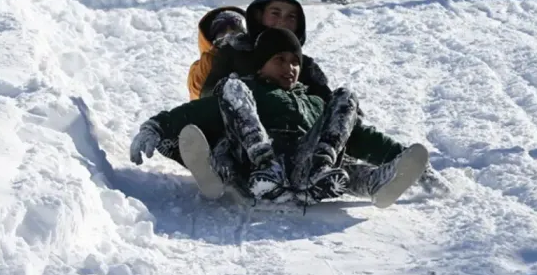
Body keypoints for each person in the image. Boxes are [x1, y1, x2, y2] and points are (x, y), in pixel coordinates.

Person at [131, 27, 436, 207]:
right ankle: (221, 172)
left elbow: (357, 135)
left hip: (312, 170)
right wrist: (155, 127)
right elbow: (197, 111)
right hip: (255, 166)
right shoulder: (250, 89)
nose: (289, 67)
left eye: (295, 62)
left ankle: (378, 182)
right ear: (261, 65)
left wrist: (407, 161)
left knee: (344, 100)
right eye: (279, 59)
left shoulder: (314, 101)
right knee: (230, 89)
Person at [199, 0, 332, 102]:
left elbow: (327, 103)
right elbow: (207, 95)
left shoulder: (303, 65)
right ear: (259, 15)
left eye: (291, 16)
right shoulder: (234, 54)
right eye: (275, 13)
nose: (282, 22)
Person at [187, 7, 247, 101]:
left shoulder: (256, 56)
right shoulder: (204, 65)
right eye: (222, 31)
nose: (230, 33)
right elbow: (198, 91)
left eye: (235, 28)